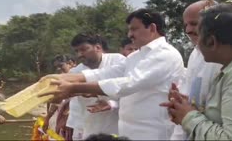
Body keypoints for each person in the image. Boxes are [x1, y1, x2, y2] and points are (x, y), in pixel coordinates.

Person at [39, 8, 185, 140]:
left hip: (154, 131)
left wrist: (74, 88)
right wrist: (65, 78)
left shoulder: (165, 54)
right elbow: (108, 73)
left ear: (152, 28)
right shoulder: (135, 56)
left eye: (134, 29)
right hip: (127, 131)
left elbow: (129, 83)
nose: (130, 35)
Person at [162, 1, 232, 140]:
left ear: (211, 42)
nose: (196, 43)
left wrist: (188, 117)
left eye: (198, 34)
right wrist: (189, 108)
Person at [166, 0, 223, 140]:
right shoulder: (195, 54)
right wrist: (180, 102)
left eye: (194, 24)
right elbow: (192, 99)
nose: (188, 30)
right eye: (185, 25)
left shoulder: (225, 56)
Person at [65, 33, 125, 140]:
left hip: (119, 127)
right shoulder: (74, 73)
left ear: (98, 47)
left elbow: (132, 92)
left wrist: (112, 104)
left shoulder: (118, 61)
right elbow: (68, 102)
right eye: (76, 51)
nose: (79, 55)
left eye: (83, 49)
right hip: (91, 129)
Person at [43, 55, 76, 137]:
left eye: (61, 66)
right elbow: (57, 101)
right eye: (57, 67)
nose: (58, 69)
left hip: (76, 118)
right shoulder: (60, 79)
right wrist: (47, 118)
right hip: (63, 116)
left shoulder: (81, 76)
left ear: (71, 63)